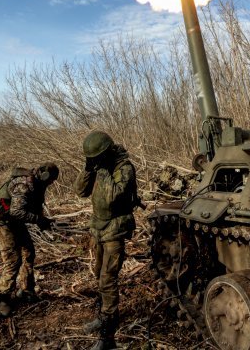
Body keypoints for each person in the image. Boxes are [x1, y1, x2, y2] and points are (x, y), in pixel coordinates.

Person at [76, 130, 139, 350]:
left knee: (108, 280)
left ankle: (107, 336)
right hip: (99, 229)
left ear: (107, 152)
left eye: (96, 158)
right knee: (98, 272)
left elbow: (112, 198)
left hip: (115, 229)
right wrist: (88, 169)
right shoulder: (98, 165)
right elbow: (80, 191)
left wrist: (102, 170)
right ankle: (102, 316)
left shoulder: (124, 168)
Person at [0, 163, 59, 317]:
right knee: (13, 260)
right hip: (1, 222)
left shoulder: (37, 184)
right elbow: (16, 212)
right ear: (45, 176)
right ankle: (3, 298)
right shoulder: (23, 185)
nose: (51, 183)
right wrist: (39, 220)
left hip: (14, 221)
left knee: (29, 252)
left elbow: (35, 206)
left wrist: (43, 221)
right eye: (51, 180)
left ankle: (26, 289)